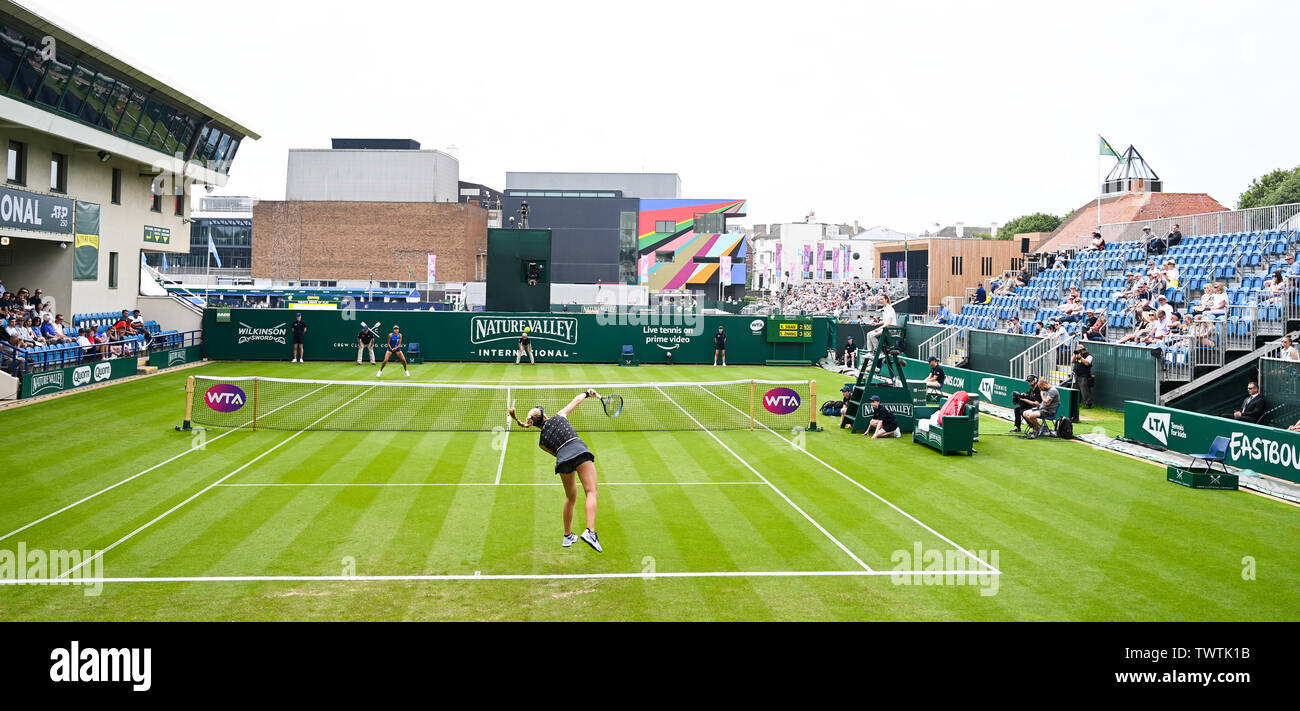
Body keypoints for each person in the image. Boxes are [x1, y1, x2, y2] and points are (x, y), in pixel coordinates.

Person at [509, 389, 603, 552]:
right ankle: (590, 532)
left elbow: (557, 454)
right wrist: (588, 393)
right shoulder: (560, 416)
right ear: (544, 416)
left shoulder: (542, 442)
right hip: (578, 450)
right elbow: (576, 401)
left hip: (563, 461)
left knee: (570, 498)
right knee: (591, 492)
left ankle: (567, 536)